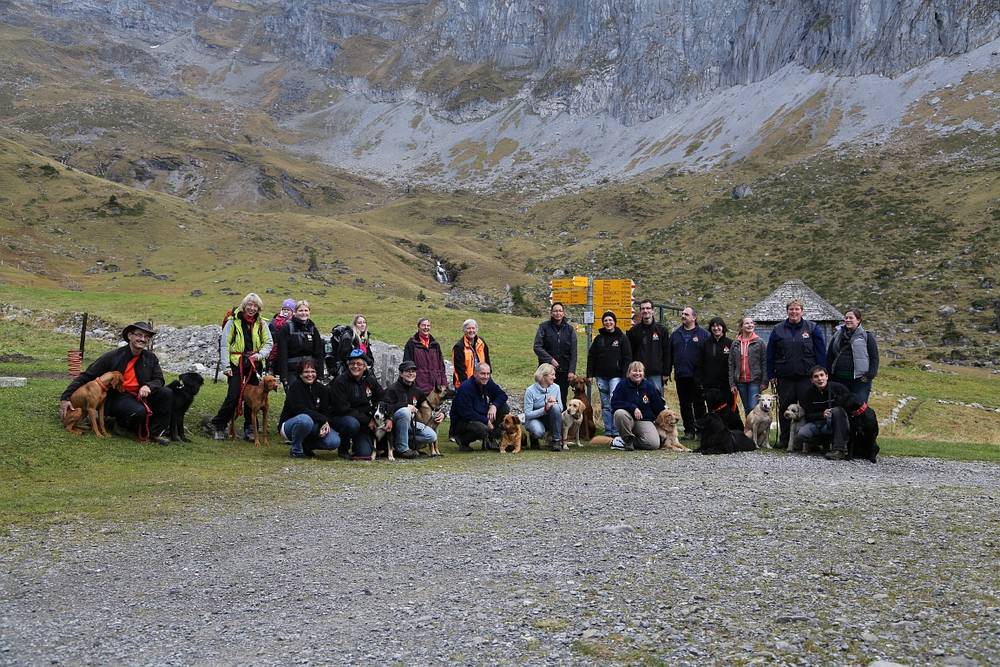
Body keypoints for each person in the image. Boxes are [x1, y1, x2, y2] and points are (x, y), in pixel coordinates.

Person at [59, 321, 172, 446]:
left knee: (166, 393)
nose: (143, 339)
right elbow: (87, 376)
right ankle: (118, 424)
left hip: (142, 393)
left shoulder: (151, 358)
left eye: (146, 337)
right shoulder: (113, 356)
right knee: (138, 411)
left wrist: (148, 386)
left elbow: (159, 379)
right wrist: (66, 397)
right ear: (130, 336)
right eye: (139, 335)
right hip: (118, 396)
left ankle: (154, 433)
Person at [204, 293, 273, 441]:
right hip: (236, 363)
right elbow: (224, 345)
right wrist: (226, 366)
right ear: (244, 305)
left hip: (255, 363)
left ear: (259, 308)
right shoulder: (232, 322)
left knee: (254, 396)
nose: (252, 308)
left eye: (255, 306)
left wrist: (259, 355)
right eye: (249, 305)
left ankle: (250, 428)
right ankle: (219, 425)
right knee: (233, 395)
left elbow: (268, 343)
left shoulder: (262, 323)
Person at [766, 299, 827, 450]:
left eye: (797, 309)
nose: (794, 312)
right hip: (785, 377)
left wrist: (821, 374)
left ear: (802, 311)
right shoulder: (778, 329)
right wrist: (771, 374)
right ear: (787, 311)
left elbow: (820, 352)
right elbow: (770, 354)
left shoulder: (812, 328)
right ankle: (785, 440)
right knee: (785, 408)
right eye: (791, 309)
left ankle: (809, 442)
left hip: (806, 377)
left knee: (807, 408)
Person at [328, 348, 384, 460]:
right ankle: (343, 448)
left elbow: (381, 399)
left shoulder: (370, 380)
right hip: (342, 418)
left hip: (363, 421)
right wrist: (368, 420)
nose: (355, 366)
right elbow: (343, 408)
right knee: (351, 423)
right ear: (348, 365)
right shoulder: (340, 381)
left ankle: (358, 445)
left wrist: (379, 417)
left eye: (359, 364)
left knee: (365, 453)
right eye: (352, 363)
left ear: (365, 367)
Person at [277, 360, 340, 459]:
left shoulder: (322, 389)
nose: (310, 375)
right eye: (306, 372)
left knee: (334, 441)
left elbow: (326, 411)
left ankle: (306, 446)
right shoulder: (294, 387)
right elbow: (299, 410)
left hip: (315, 424)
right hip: (291, 425)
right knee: (305, 420)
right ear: (300, 374)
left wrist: (325, 423)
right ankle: (296, 450)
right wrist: (323, 419)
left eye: (313, 371)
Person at [384, 360, 443, 459]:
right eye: (407, 371)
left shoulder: (417, 391)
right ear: (401, 374)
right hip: (394, 424)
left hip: (411, 425)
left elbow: (429, 405)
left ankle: (405, 444)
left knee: (432, 436)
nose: (411, 373)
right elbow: (386, 406)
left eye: (413, 371)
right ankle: (403, 449)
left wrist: (442, 414)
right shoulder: (392, 389)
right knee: (405, 411)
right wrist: (405, 405)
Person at [586, 311, 632, 437]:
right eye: (605, 320)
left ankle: (616, 431)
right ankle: (608, 431)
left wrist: (625, 375)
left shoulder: (622, 338)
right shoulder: (599, 339)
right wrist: (590, 374)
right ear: (603, 323)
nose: (608, 322)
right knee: (605, 404)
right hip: (601, 376)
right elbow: (591, 357)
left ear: (614, 322)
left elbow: (627, 357)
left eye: (610, 320)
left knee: (614, 401)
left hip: (616, 376)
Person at [665, 306, 708, 440]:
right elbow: (669, 355)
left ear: (694, 317)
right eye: (682, 314)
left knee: (699, 404)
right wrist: (667, 372)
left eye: (686, 314)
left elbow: (708, 356)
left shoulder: (703, 334)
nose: (683, 316)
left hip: (697, 376)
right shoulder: (676, 334)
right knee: (684, 404)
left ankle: (701, 431)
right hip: (681, 375)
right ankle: (689, 431)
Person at [449, 363, 509, 451]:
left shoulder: (487, 382)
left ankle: (491, 439)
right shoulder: (465, 388)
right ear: (475, 374)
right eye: (482, 374)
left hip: (479, 414)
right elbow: (466, 413)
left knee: (504, 407)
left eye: (488, 374)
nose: (486, 377)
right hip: (463, 422)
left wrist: (494, 406)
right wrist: (486, 421)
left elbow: (502, 395)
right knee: (482, 429)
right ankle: (462, 440)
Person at [798, 366, 851, 461]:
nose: (820, 379)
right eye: (816, 376)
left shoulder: (839, 388)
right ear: (812, 380)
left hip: (839, 423)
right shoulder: (809, 393)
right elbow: (808, 415)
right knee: (802, 434)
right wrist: (822, 414)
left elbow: (850, 406)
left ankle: (839, 449)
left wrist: (833, 412)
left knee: (837, 410)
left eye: (822, 375)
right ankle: (824, 445)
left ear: (827, 376)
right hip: (820, 423)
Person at [610, 361, 665, 451]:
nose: (637, 373)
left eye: (640, 371)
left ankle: (620, 441)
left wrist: (665, 412)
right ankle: (627, 440)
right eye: (634, 371)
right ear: (629, 373)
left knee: (653, 444)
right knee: (619, 413)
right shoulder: (622, 385)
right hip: (627, 420)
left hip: (644, 420)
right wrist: (633, 407)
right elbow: (614, 403)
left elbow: (658, 407)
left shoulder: (649, 386)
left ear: (643, 373)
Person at [827, 308, 879, 403]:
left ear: (858, 320)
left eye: (851, 318)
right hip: (839, 379)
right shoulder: (837, 335)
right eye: (846, 318)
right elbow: (830, 355)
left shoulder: (867, 336)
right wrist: (829, 374)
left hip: (860, 381)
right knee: (840, 405)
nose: (847, 320)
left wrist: (869, 375)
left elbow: (874, 358)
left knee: (858, 406)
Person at [532, 302, 577, 405]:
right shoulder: (543, 327)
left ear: (563, 313)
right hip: (546, 371)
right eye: (555, 311)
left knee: (561, 399)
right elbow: (537, 347)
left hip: (564, 371)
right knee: (543, 400)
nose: (558, 313)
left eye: (560, 311)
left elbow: (573, 352)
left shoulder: (570, 330)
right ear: (551, 313)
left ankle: (560, 415)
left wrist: (571, 371)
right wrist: (550, 360)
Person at [275, 300, 324, 387]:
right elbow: (282, 353)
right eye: (300, 310)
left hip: (309, 370)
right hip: (292, 371)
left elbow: (319, 353)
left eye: (306, 310)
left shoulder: (312, 328)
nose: (303, 313)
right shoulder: (286, 328)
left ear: (309, 312)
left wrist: (320, 374)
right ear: (295, 312)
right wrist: (284, 377)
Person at [627, 299, 670, 393]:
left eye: (648, 308)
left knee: (657, 399)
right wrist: (630, 371)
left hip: (656, 374)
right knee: (639, 399)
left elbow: (667, 352)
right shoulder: (634, 331)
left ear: (653, 310)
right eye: (643, 309)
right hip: (638, 374)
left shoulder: (662, 330)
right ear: (640, 311)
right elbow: (630, 353)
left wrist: (666, 372)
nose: (645, 311)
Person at [728, 316, 767, 418]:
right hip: (740, 381)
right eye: (747, 323)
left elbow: (764, 362)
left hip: (755, 380)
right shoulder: (735, 343)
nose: (750, 325)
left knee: (752, 407)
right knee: (747, 409)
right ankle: (749, 427)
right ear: (741, 326)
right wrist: (732, 384)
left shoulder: (760, 342)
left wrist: (764, 381)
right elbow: (731, 364)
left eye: (751, 323)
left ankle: (756, 427)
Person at [522, 363, 564, 451]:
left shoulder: (556, 388)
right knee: (538, 432)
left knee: (555, 407)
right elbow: (527, 414)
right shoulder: (530, 390)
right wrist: (545, 408)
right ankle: (533, 436)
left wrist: (554, 403)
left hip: (549, 418)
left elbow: (560, 408)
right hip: (534, 419)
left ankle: (556, 441)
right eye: (552, 375)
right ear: (544, 376)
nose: (555, 377)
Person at [698, 317, 735, 413]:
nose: (716, 328)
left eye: (718, 326)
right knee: (713, 411)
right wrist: (701, 381)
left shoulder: (730, 343)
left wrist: (734, 382)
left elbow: (734, 364)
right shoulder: (705, 344)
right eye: (713, 326)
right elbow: (700, 363)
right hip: (710, 385)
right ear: (710, 328)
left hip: (726, 384)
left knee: (729, 411)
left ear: (723, 327)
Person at [403, 317, 448, 394]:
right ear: (418, 327)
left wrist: (444, 384)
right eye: (423, 325)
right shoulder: (412, 344)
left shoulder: (435, 344)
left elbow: (441, 366)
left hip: (436, 387)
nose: (426, 327)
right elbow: (407, 366)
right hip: (419, 387)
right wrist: (411, 386)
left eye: (428, 325)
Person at [452, 319, 491, 389]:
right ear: (464, 330)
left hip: (480, 381)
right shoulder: (459, 347)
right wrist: (467, 386)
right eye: (468, 328)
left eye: (473, 328)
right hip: (465, 383)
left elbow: (487, 361)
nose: (471, 330)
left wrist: (487, 378)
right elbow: (460, 371)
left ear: (477, 329)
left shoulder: (481, 342)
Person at [266, 298, 296, 370]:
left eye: (288, 310)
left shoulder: (295, 322)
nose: (286, 311)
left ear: (293, 312)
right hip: (275, 351)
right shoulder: (275, 321)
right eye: (284, 309)